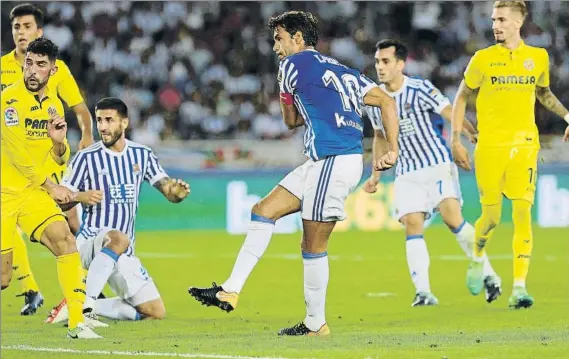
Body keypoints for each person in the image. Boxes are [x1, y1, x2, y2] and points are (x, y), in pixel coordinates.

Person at [189, 10, 399, 336]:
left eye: (279, 38)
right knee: (263, 211)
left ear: (298, 38)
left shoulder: (289, 67)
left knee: (312, 244)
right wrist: (393, 149)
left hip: (333, 159)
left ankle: (316, 323)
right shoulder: (343, 69)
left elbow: (289, 122)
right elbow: (386, 101)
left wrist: (293, 100)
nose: (275, 46)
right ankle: (230, 289)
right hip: (326, 161)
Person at [362, 39, 502, 306]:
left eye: (386, 61)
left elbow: (450, 112)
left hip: (436, 164)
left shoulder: (420, 88)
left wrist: (472, 135)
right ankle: (423, 291)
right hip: (406, 171)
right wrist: (376, 174)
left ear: (400, 64)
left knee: (453, 220)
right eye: (377, 61)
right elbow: (380, 136)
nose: (379, 67)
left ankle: (489, 274)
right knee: (412, 225)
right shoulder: (374, 100)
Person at [451, 1, 569, 309]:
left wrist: (567, 116)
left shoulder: (537, 57)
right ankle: (477, 257)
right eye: (493, 19)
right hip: (489, 146)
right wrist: (456, 138)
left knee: (522, 214)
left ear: (518, 22)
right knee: (490, 218)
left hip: (525, 145)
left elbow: (542, 92)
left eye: (501, 19)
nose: (495, 25)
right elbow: (462, 95)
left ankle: (519, 287)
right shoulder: (483, 59)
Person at [45, 97, 190, 325]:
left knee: (154, 311)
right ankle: (86, 307)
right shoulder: (86, 158)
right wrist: (79, 196)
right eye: (99, 120)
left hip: (124, 253)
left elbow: (168, 190)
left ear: (124, 123)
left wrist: (177, 193)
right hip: (91, 243)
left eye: (109, 120)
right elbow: (60, 201)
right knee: (117, 237)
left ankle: (79, 303)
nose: (102, 126)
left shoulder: (142, 155)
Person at [1, 37, 102, 339]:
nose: (31, 70)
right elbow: (17, 155)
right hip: (4, 195)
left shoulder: (54, 106)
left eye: (40, 65)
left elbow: (57, 156)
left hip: (31, 194)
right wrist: (51, 186)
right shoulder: (9, 100)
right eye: (29, 62)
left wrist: (59, 143)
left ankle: (76, 323)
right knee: (4, 278)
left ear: (52, 70)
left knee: (65, 242)